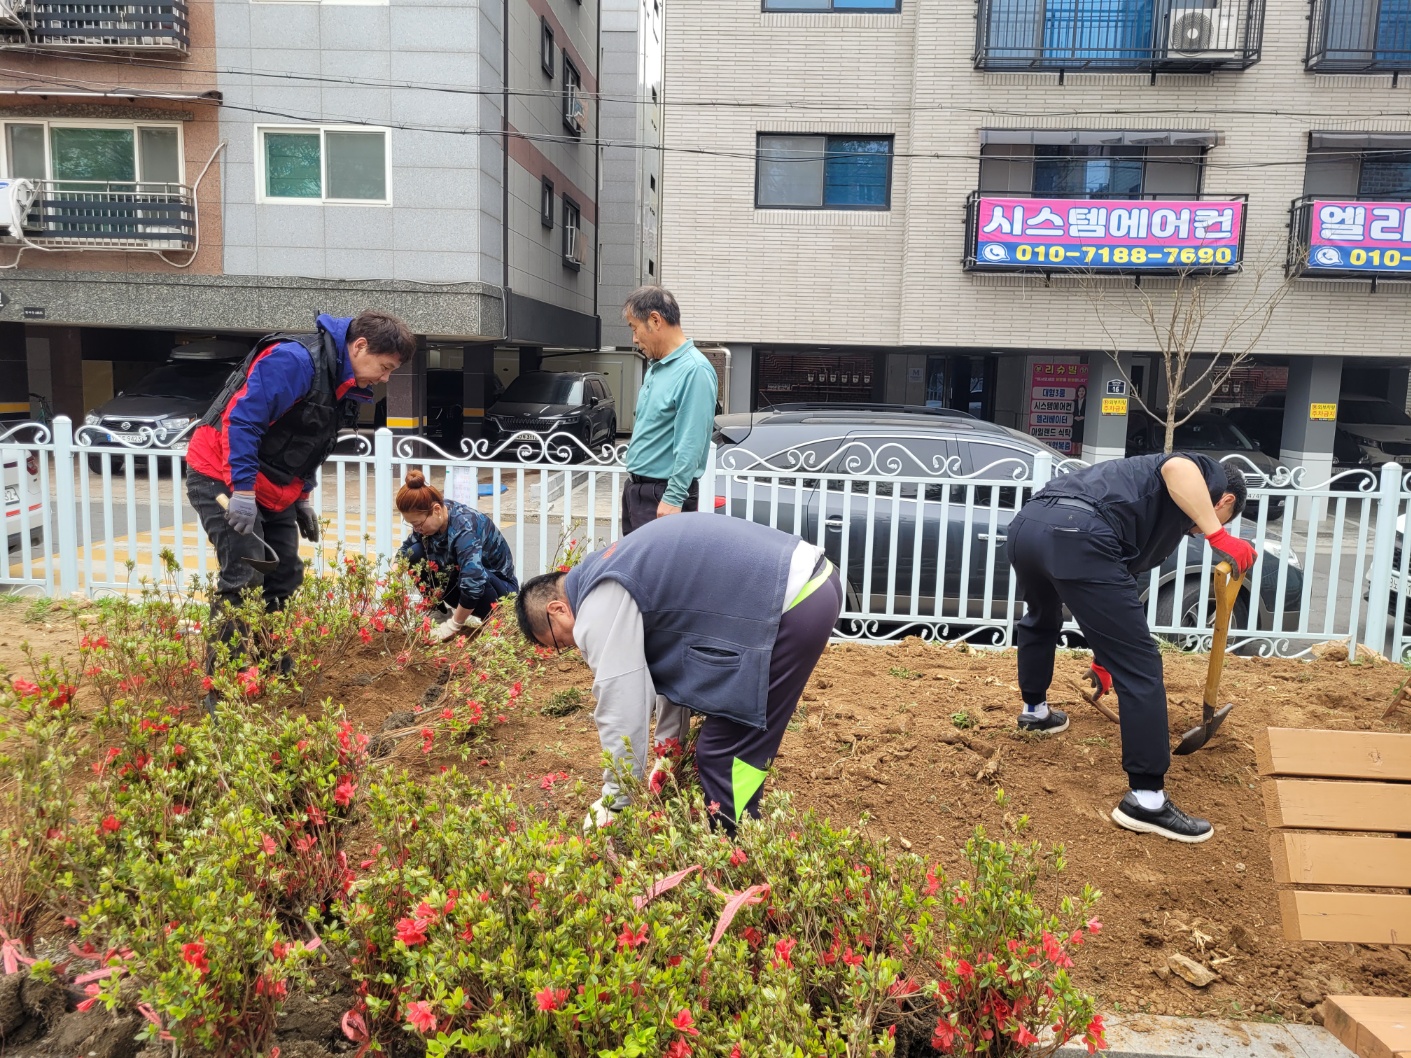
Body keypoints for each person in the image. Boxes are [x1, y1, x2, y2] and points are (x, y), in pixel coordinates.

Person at [514, 512, 842, 833]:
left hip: (796, 599)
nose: (573, 646)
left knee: (725, 753)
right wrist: (668, 752)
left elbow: (622, 705)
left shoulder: (597, 604)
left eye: (559, 641)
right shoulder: (612, 570)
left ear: (556, 609)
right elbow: (670, 672)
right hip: (809, 581)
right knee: (724, 744)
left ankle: (738, 852)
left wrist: (615, 802)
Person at [1006, 452, 1256, 844]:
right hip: (1078, 532)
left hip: (1029, 526)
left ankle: (1035, 712)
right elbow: (1178, 468)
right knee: (1141, 666)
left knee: (1041, 615)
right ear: (1224, 501)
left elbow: (1112, 586)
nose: (1196, 533)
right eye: (1224, 517)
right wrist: (1219, 536)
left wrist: (1104, 657)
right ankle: (1147, 800)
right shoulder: (1203, 475)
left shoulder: (1148, 507)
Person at [186, 311, 415, 682]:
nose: (385, 378)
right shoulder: (293, 361)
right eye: (385, 366)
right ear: (359, 346)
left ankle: (270, 665)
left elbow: (313, 440)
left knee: (285, 573)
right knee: (245, 575)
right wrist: (242, 490)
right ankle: (223, 682)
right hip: (221, 471)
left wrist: (303, 497)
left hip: (273, 485)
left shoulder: (343, 381)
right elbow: (241, 421)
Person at [620, 286, 718, 535]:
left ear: (655, 320)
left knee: (657, 573)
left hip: (662, 496)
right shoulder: (657, 366)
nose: (634, 338)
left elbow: (691, 442)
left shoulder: (694, 370)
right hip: (639, 490)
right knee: (634, 570)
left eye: (634, 328)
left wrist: (674, 497)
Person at [395, 470, 518, 641]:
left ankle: (496, 624)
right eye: (412, 524)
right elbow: (408, 548)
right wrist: (394, 572)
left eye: (418, 523)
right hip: (461, 584)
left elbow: (473, 582)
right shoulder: (433, 517)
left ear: (436, 509)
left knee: (470, 574)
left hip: (497, 591)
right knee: (415, 553)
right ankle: (439, 613)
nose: (416, 529)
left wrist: (454, 625)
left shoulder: (465, 529)